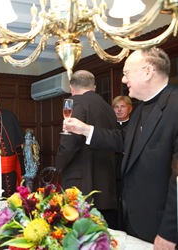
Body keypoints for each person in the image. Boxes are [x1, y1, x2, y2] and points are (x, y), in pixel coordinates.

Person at [63, 47, 177, 249]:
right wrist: (86, 129)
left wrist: (170, 231)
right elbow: (123, 139)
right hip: (133, 217)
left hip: (162, 224)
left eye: (126, 73)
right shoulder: (141, 107)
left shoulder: (174, 105)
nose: (124, 80)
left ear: (147, 71)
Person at [55, 70, 118, 229]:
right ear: (94, 87)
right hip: (106, 181)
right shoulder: (107, 107)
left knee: (79, 235)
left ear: (72, 87)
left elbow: (70, 142)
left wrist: (59, 165)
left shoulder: (74, 102)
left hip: (82, 183)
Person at [112, 95, 133, 229]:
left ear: (130, 109)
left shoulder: (134, 126)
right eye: (116, 107)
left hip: (128, 172)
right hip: (112, 171)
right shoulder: (109, 126)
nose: (119, 110)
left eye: (122, 106)